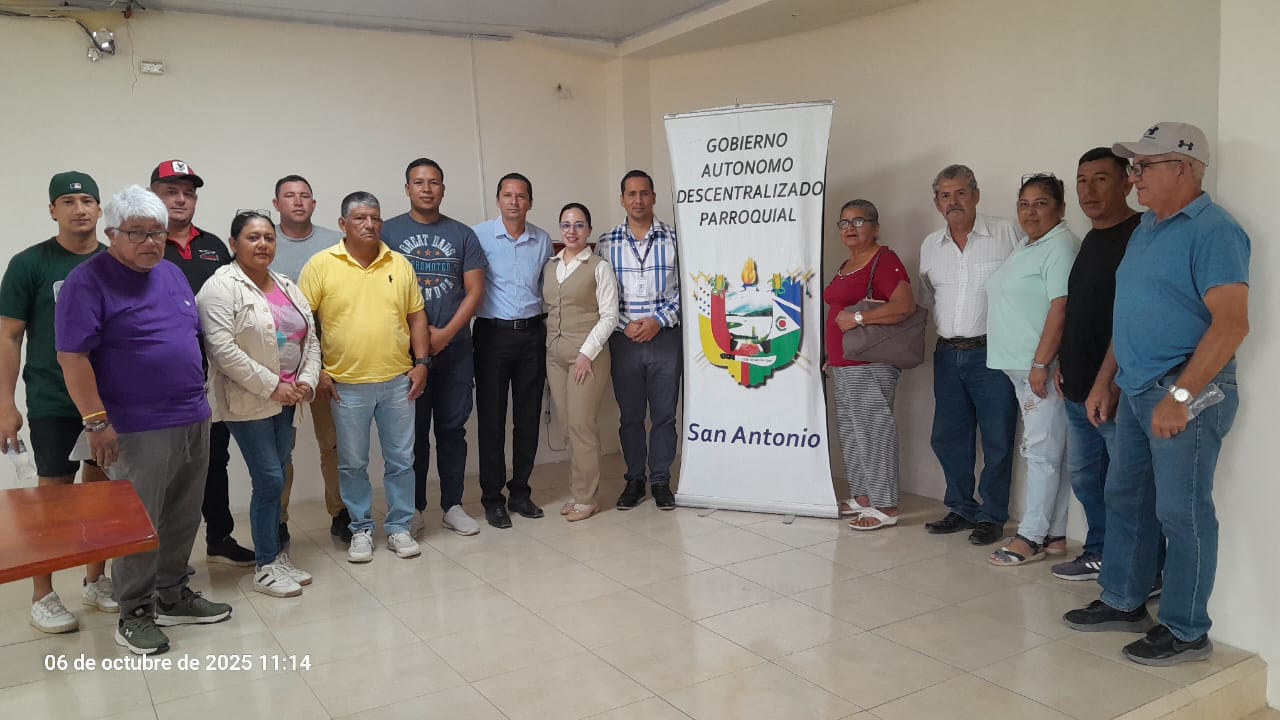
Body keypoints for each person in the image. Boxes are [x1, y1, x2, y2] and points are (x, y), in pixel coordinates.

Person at [1064, 122, 1249, 666]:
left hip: (1184, 392)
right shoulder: (1146, 228)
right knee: (1126, 499)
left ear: (1183, 168)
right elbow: (1129, 316)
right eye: (1134, 166)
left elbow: (1231, 325)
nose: (1134, 176)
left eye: (1143, 166)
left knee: (1181, 513)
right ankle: (1124, 600)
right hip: (1135, 387)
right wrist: (1105, 381)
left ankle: (1186, 630)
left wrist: (1182, 397)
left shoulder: (1214, 231)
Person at [56, 185, 233, 656]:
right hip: (134, 425)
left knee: (182, 514)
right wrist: (96, 422)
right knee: (138, 522)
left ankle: (172, 594)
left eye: (157, 232)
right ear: (111, 233)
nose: (150, 242)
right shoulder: (87, 281)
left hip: (192, 415)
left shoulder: (171, 273)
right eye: (137, 233)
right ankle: (134, 611)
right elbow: (72, 357)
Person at [0, 171, 114, 633]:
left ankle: (96, 580)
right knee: (52, 502)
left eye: (87, 200)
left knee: (102, 494)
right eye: (68, 202)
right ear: (52, 210)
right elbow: (9, 336)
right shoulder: (29, 264)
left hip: (107, 402)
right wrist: (5, 405)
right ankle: (42, 595)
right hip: (52, 400)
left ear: (100, 209)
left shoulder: (115, 260)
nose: (79, 209)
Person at [298, 192, 430, 563]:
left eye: (374, 217)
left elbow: (416, 316)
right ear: (343, 224)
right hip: (346, 386)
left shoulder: (399, 263)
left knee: (401, 460)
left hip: (397, 382)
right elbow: (302, 322)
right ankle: (361, 529)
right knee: (352, 463)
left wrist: (422, 363)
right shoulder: (321, 264)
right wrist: (317, 370)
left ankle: (400, 527)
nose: (369, 224)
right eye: (360, 218)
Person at [197, 211, 321, 598]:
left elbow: (310, 339)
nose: (263, 244)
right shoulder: (219, 288)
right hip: (248, 401)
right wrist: (272, 386)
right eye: (253, 237)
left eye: (268, 237)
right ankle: (266, 565)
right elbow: (222, 351)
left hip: (290, 398)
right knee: (269, 479)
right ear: (233, 244)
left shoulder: (286, 285)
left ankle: (276, 556)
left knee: (278, 475)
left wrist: (306, 380)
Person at [150, 160, 252, 567]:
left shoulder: (213, 246)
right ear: (153, 195)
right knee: (164, 465)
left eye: (188, 193)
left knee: (214, 458)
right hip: (161, 374)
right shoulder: (145, 243)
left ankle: (219, 536)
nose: (180, 200)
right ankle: (163, 556)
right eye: (170, 192)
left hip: (211, 372)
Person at [918, 164, 1022, 546]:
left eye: (961, 193)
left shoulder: (1007, 233)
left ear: (976, 195)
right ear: (936, 203)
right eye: (945, 196)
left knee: (997, 438)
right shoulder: (930, 246)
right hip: (947, 354)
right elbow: (928, 297)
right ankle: (961, 507)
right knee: (949, 437)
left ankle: (992, 515)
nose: (953, 202)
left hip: (992, 353)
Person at [383, 158, 487, 537]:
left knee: (452, 429)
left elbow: (474, 291)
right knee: (411, 434)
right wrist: (420, 339)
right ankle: (413, 509)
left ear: (443, 189)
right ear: (407, 188)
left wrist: (444, 334)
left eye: (434, 182)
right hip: (405, 354)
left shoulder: (463, 235)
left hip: (455, 349)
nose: (426, 189)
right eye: (419, 182)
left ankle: (452, 505)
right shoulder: (388, 232)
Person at [1051, 148, 1141, 581]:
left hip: (1114, 390)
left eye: (1101, 179)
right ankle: (1100, 553)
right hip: (1077, 386)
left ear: (1126, 182)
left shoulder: (1140, 235)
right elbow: (1082, 310)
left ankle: (1138, 568)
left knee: (1126, 487)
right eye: (1082, 181)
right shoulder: (1091, 239)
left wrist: (1111, 381)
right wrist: (1062, 361)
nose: (1088, 190)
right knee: (1088, 480)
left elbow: (1131, 317)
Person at [984, 174, 1079, 565]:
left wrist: (1041, 363)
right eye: (1024, 204)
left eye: (1041, 203)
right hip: (1021, 369)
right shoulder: (1027, 245)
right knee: (1051, 451)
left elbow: (1062, 307)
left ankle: (1030, 537)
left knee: (1042, 454)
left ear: (1060, 208)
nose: (1030, 212)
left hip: (1040, 369)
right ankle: (1054, 533)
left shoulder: (1061, 246)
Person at [823, 200, 916, 531]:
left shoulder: (884, 261)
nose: (850, 228)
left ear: (875, 228)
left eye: (859, 221)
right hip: (844, 363)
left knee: (874, 430)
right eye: (844, 222)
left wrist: (859, 318)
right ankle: (863, 496)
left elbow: (904, 306)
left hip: (870, 362)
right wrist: (831, 355)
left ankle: (885, 505)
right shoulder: (846, 265)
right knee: (852, 431)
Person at [471, 173, 553, 529]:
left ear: (530, 202)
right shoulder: (478, 236)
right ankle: (492, 498)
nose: (514, 202)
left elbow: (548, 287)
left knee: (528, 418)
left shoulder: (542, 240)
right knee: (491, 420)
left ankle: (520, 492)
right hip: (492, 335)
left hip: (532, 335)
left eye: (521, 196)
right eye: (508, 195)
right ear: (498, 200)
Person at [598, 170, 682, 511]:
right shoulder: (606, 243)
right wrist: (625, 324)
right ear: (622, 199)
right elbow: (601, 295)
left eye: (644, 193)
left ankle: (660, 479)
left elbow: (686, 291)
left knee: (664, 414)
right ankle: (634, 479)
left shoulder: (675, 239)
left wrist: (657, 321)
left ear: (654, 197)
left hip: (665, 337)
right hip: (624, 339)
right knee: (631, 415)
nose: (638, 200)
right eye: (631, 194)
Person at [269, 175, 346, 544]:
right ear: (276, 204)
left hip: (328, 361)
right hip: (279, 365)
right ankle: (278, 519)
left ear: (314, 204)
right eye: (289, 196)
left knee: (334, 444)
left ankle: (341, 512)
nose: (298, 202)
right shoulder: (264, 241)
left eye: (305, 196)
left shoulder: (335, 243)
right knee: (279, 449)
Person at [544, 203, 618, 521]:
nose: (571, 231)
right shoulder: (551, 266)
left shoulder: (599, 267)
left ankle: (587, 498)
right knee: (567, 427)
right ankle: (577, 492)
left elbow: (609, 316)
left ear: (589, 229)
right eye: (566, 225)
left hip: (587, 356)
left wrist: (587, 353)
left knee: (581, 425)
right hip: (555, 356)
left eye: (578, 225)